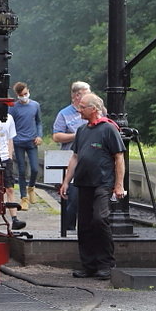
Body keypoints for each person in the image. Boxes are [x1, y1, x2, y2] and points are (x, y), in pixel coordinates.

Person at [59, 93, 125, 279]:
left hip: (103, 183)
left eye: (82, 107)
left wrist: (118, 185)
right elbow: (75, 157)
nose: (79, 110)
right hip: (83, 183)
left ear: (93, 109)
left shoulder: (108, 129)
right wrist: (66, 181)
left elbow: (119, 157)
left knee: (99, 219)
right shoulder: (82, 131)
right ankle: (88, 265)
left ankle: (106, 263)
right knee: (85, 224)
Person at [51, 80, 91, 232]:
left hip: (90, 161)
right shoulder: (64, 114)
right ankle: (68, 229)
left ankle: (86, 229)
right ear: (77, 95)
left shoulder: (96, 110)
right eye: (87, 94)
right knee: (72, 198)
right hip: (71, 159)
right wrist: (77, 136)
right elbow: (56, 136)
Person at [7, 81, 42, 210]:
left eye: (26, 94)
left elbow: (39, 122)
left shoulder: (35, 105)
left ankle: (31, 187)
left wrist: (39, 135)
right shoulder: (14, 108)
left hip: (32, 141)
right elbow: (10, 124)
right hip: (18, 142)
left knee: (34, 169)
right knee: (21, 170)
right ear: (17, 95)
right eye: (22, 95)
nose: (24, 96)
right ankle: (23, 198)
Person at [0, 113, 26, 230]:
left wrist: (9, 156)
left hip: (6, 157)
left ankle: (14, 219)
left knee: (10, 188)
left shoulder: (9, 118)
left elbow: (10, 138)